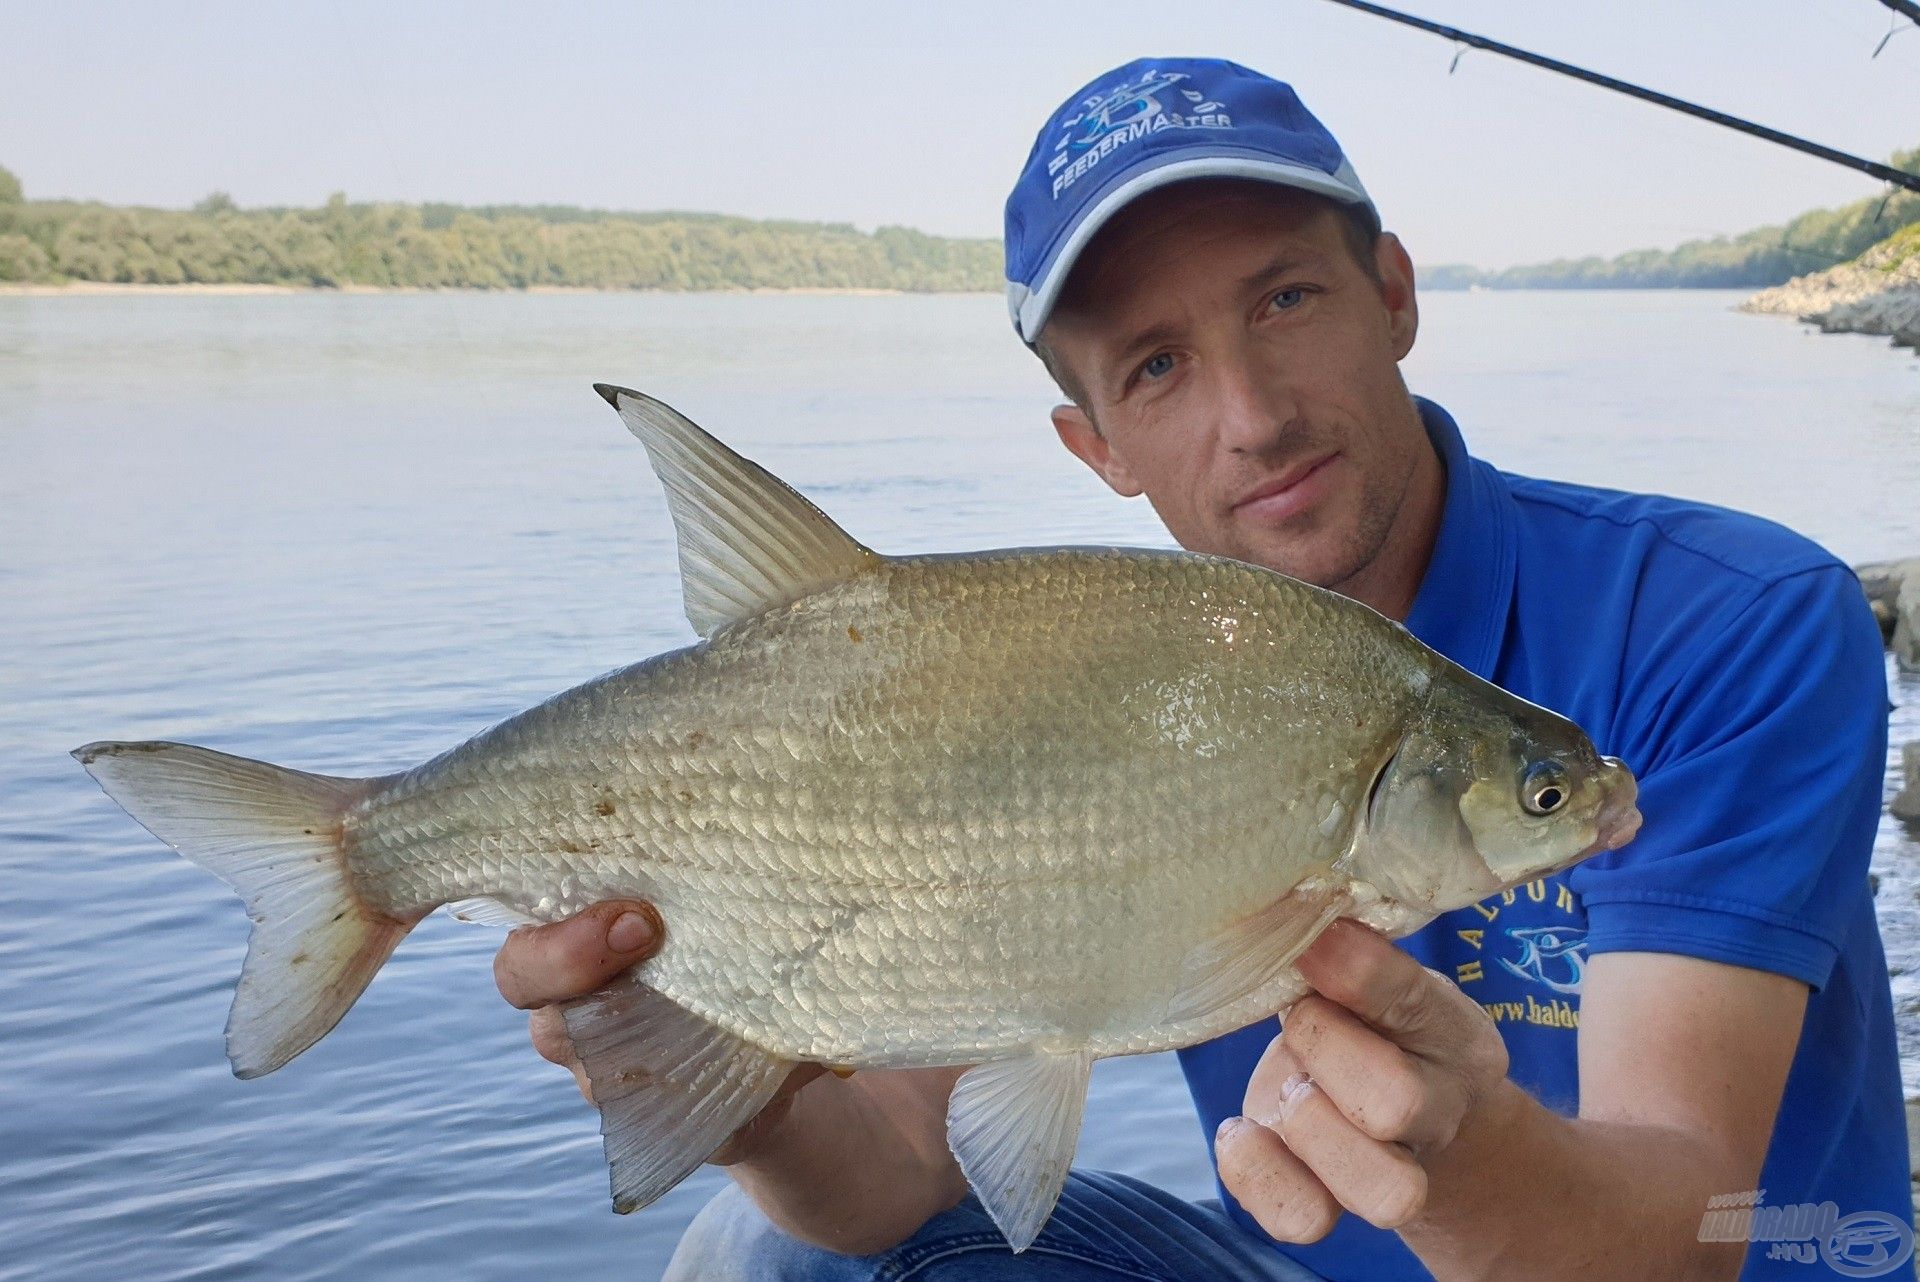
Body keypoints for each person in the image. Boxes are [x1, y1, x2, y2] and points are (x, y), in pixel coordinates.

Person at [490, 59, 1912, 1280]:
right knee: (761, 1245)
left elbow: (1696, 1222)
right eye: (1157, 366)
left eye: (1286, 299)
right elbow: (896, 1183)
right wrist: (736, 1095)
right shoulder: (1085, 673)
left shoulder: (1734, 620)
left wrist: (1469, 1164)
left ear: (1396, 292)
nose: (1253, 416)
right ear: (1093, 445)